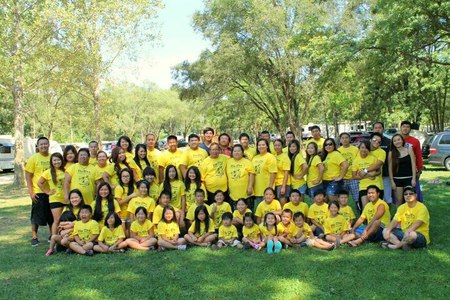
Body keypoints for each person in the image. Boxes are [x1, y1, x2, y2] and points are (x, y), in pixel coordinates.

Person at [25, 136, 52, 247]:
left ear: (48, 145)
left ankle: (52, 235)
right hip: (38, 192)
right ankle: (34, 237)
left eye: (45, 144)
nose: (44, 146)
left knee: (51, 215)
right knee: (36, 216)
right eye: (41, 144)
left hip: (51, 192)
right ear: (38, 146)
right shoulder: (33, 158)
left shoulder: (52, 157)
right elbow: (28, 176)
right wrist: (31, 192)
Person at [37, 152, 65, 236]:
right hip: (55, 199)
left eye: (58, 160)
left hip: (66, 198)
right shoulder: (48, 172)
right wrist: (47, 192)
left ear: (62, 160)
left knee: (66, 219)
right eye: (54, 160)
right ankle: (54, 238)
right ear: (51, 162)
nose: (57, 162)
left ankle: (63, 237)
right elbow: (39, 183)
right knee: (57, 220)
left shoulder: (66, 170)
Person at [389, 134, 417, 207]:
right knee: (399, 201)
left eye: (398, 139)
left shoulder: (409, 150)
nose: (397, 142)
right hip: (397, 180)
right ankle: (399, 217)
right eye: (394, 141)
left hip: (409, 178)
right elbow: (390, 168)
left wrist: (414, 178)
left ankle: (410, 217)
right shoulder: (391, 153)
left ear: (402, 140)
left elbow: (413, 164)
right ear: (392, 143)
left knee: (410, 199)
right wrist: (392, 181)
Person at [352, 140, 380, 212]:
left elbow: (379, 171)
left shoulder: (373, 158)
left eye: (366, 148)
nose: (364, 150)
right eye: (362, 147)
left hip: (374, 185)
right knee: (365, 208)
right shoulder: (356, 161)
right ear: (359, 148)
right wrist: (369, 176)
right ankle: (366, 222)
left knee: (375, 207)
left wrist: (371, 174)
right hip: (363, 186)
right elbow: (354, 176)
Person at [400, 121, 423, 201]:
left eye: (407, 127)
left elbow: (419, 156)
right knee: (401, 195)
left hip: (412, 172)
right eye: (404, 126)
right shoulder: (396, 140)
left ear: (410, 129)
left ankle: (416, 211)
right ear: (400, 128)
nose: (405, 128)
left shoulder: (415, 141)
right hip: (399, 173)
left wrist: (419, 170)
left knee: (413, 193)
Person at [226, 144, 255, 208]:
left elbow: (252, 174)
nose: (237, 153)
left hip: (246, 193)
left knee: (247, 214)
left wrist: (250, 187)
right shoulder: (228, 161)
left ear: (242, 152)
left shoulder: (247, 162)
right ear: (232, 152)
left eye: (239, 151)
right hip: (233, 194)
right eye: (235, 151)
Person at [252, 138, 277, 210]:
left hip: (267, 188)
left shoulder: (270, 157)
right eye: (259, 145)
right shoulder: (255, 158)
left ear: (267, 146)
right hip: (257, 188)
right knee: (260, 209)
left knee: (268, 209)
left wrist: (270, 187)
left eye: (263, 145)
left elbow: (273, 173)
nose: (261, 146)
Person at [372, 122, 392, 204]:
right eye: (375, 128)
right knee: (375, 197)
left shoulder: (389, 142)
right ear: (373, 129)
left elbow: (391, 158)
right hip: (372, 174)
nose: (377, 129)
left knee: (387, 198)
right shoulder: (369, 142)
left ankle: (387, 215)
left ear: (383, 129)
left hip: (386, 173)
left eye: (379, 127)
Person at [338, 132, 359, 204]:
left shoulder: (355, 149)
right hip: (343, 179)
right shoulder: (338, 151)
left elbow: (359, 162)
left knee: (357, 199)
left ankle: (360, 214)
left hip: (353, 178)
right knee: (342, 200)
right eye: (342, 138)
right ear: (340, 140)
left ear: (350, 139)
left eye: (346, 138)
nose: (345, 140)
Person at [273, 139, 291, 206]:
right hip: (276, 184)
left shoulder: (285, 157)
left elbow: (286, 172)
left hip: (282, 183)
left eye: (279, 145)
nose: (277, 147)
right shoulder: (274, 156)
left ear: (282, 146)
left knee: (283, 205)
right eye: (275, 145)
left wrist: (283, 186)